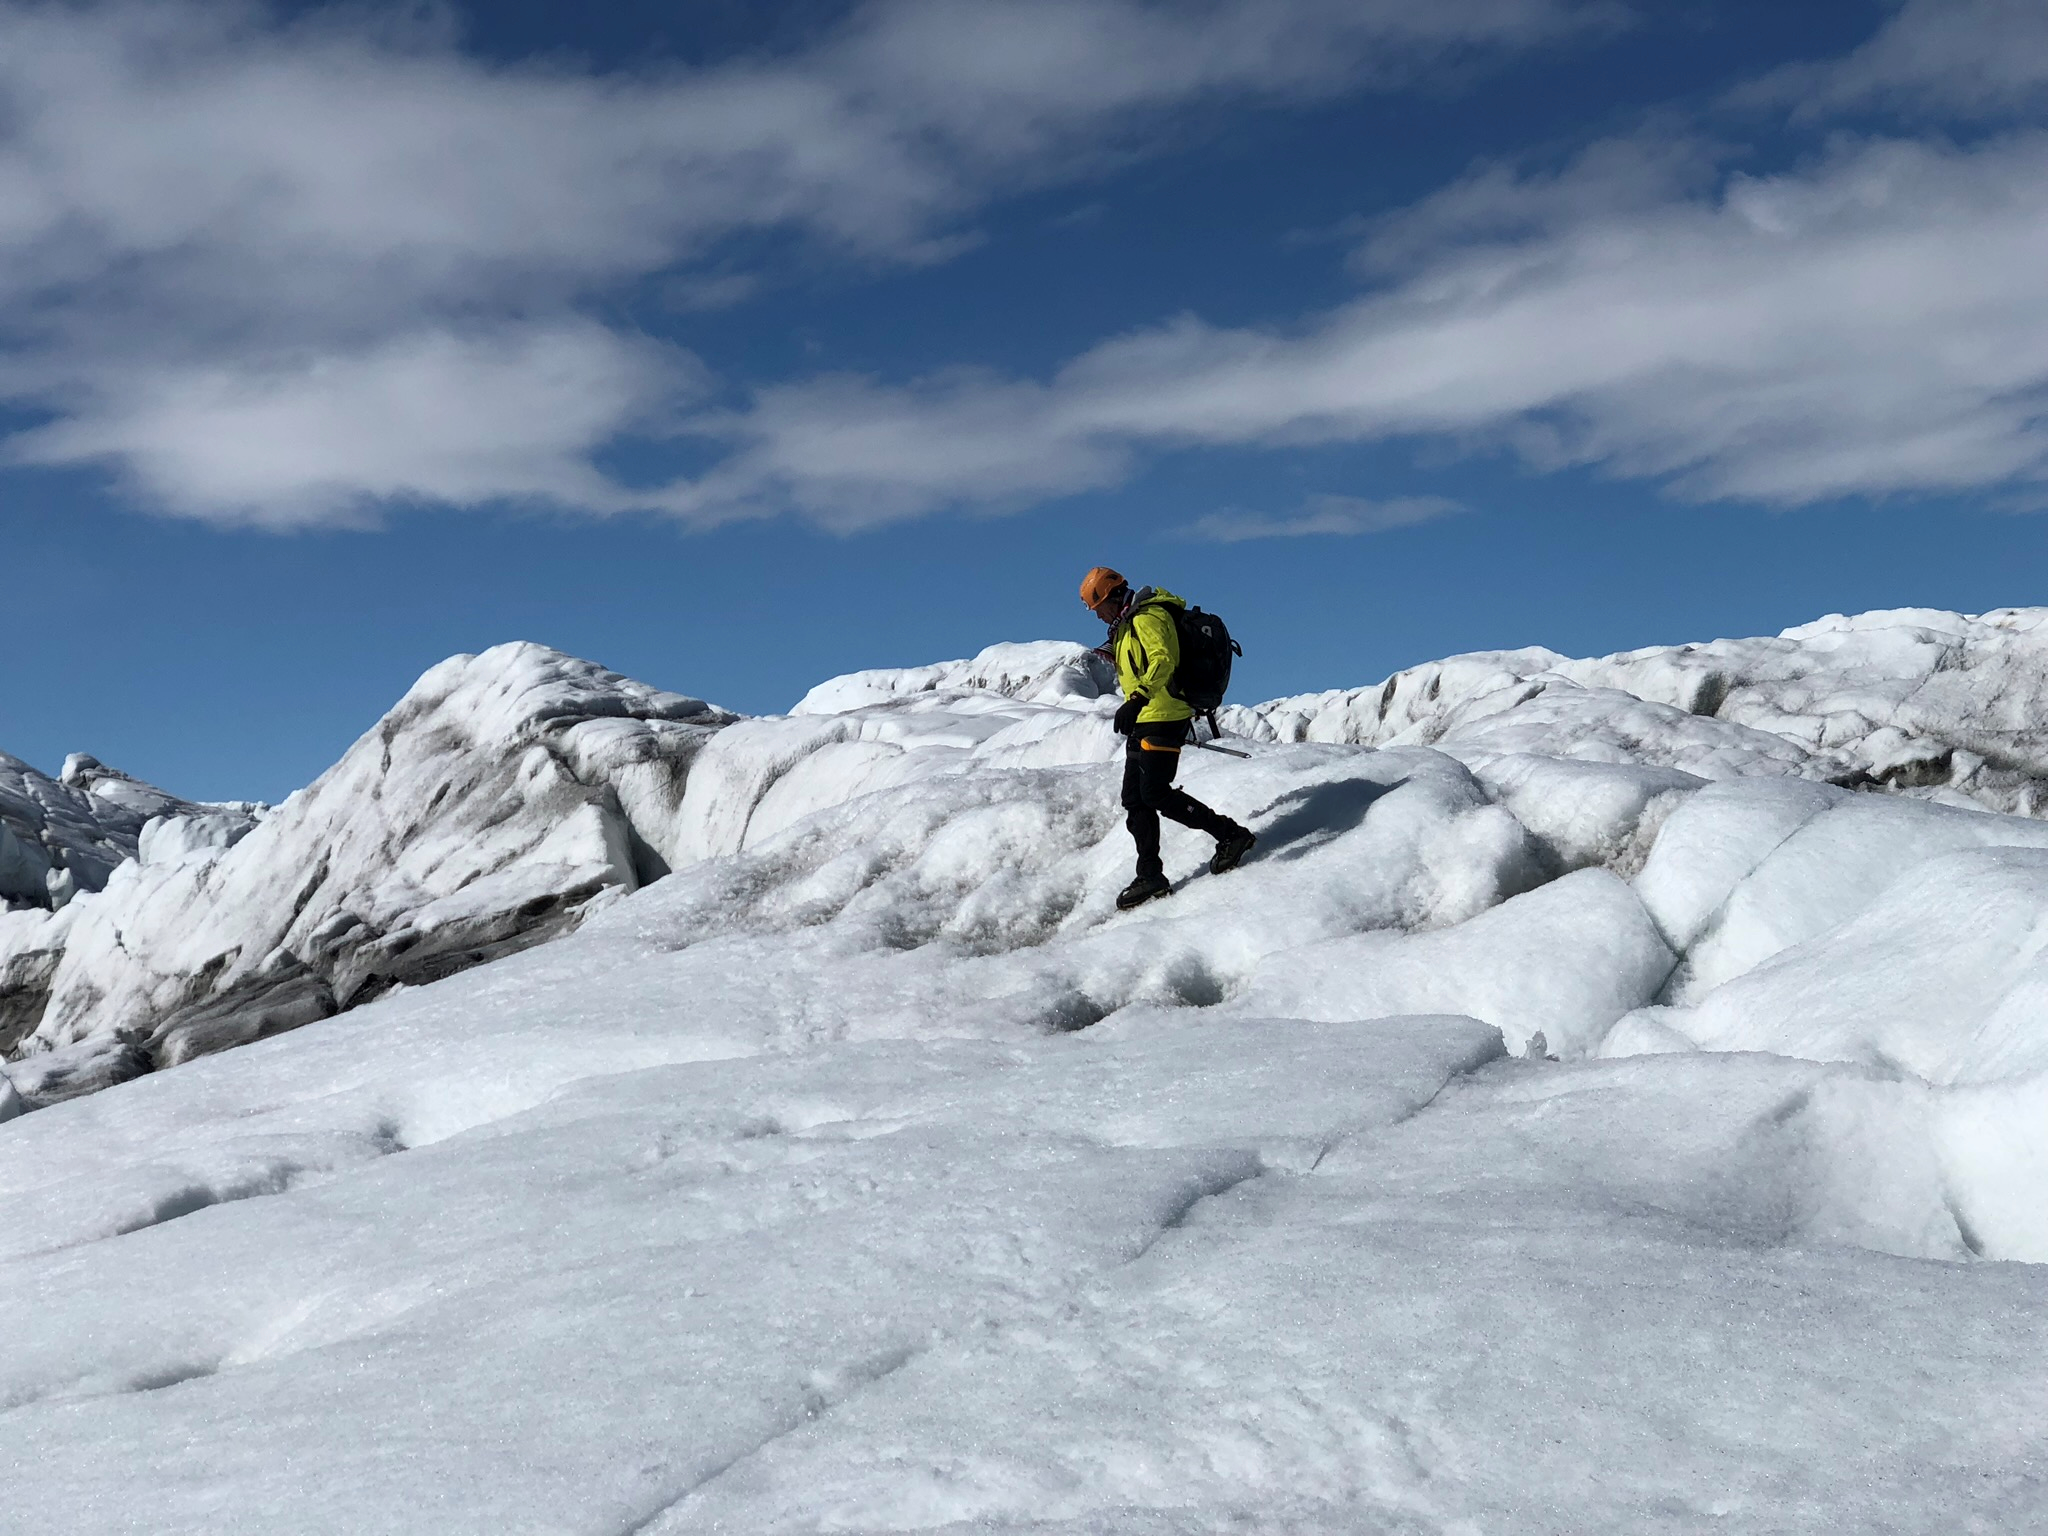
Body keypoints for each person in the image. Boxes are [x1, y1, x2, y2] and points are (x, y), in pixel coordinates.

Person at [1081, 566, 1256, 910]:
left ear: (1111, 597)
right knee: (1135, 800)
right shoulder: (1127, 625)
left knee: (1155, 793)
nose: (1098, 616)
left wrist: (1137, 698)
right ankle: (1150, 875)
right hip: (1146, 719)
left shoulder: (1149, 617)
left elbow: (1164, 659)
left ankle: (1230, 834)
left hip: (1164, 715)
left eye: (1097, 607)